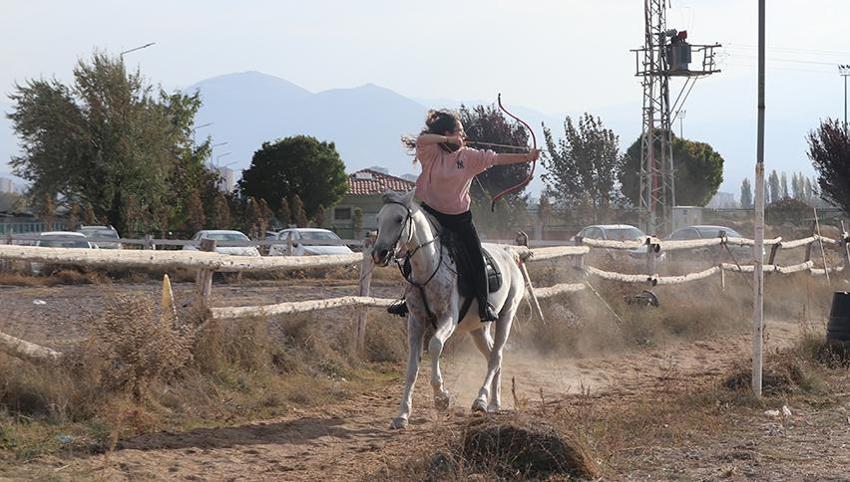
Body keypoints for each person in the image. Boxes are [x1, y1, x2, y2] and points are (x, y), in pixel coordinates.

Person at [388, 109, 539, 321]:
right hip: (431, 214)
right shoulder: (431, 153)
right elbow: (423, 139)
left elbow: (496, 159)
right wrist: (446, 138)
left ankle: (484, 304)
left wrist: (526, 156)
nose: (464, 135)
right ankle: (408, 301)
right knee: (413, 253)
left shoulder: (469, 156)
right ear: (447, 133)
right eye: (459, 131)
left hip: (459, 218)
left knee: (476, 257)